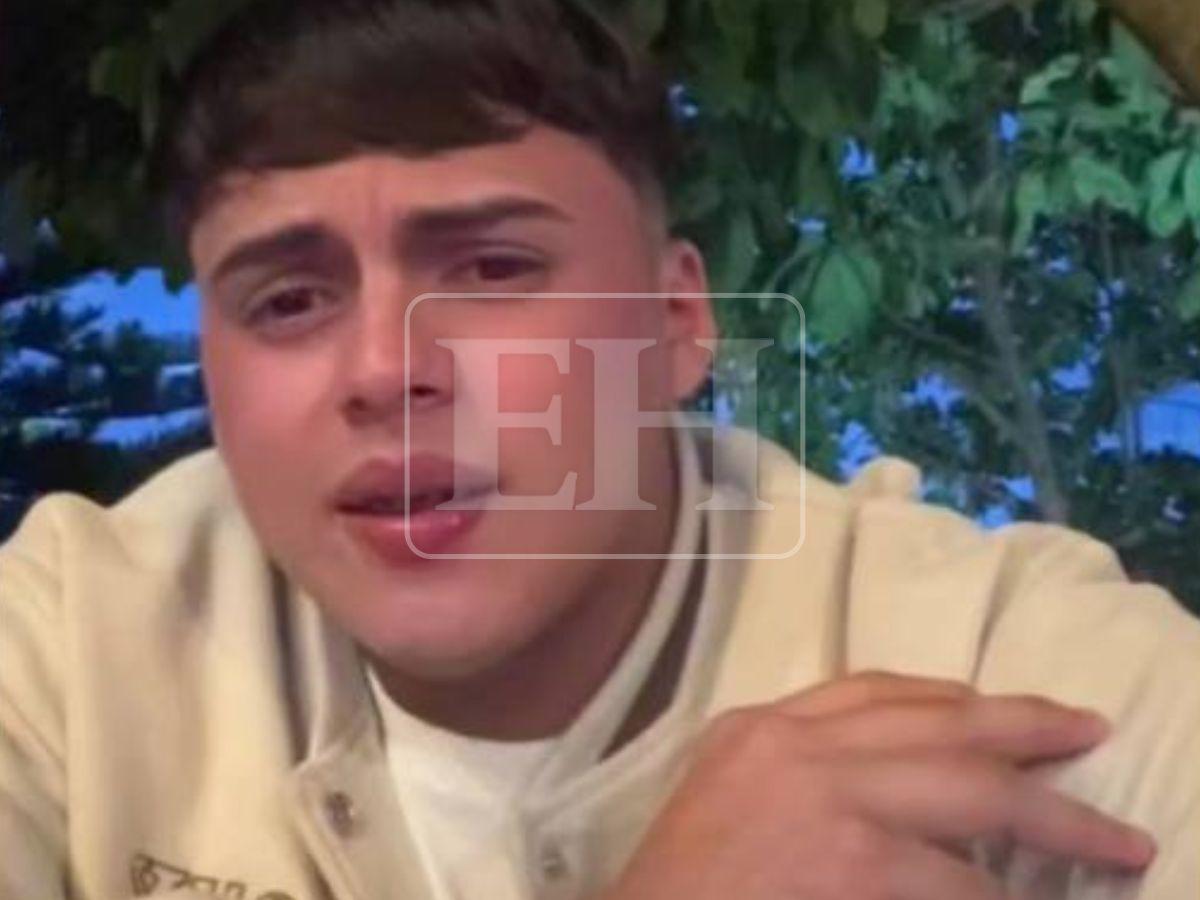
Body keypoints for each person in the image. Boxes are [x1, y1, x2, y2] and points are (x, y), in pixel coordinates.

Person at [1, 1, 1197, 898]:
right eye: (288, 301)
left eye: (492, 268)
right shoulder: (70, 649)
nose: (381, 370)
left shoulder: (995, 661)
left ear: (677, 325)